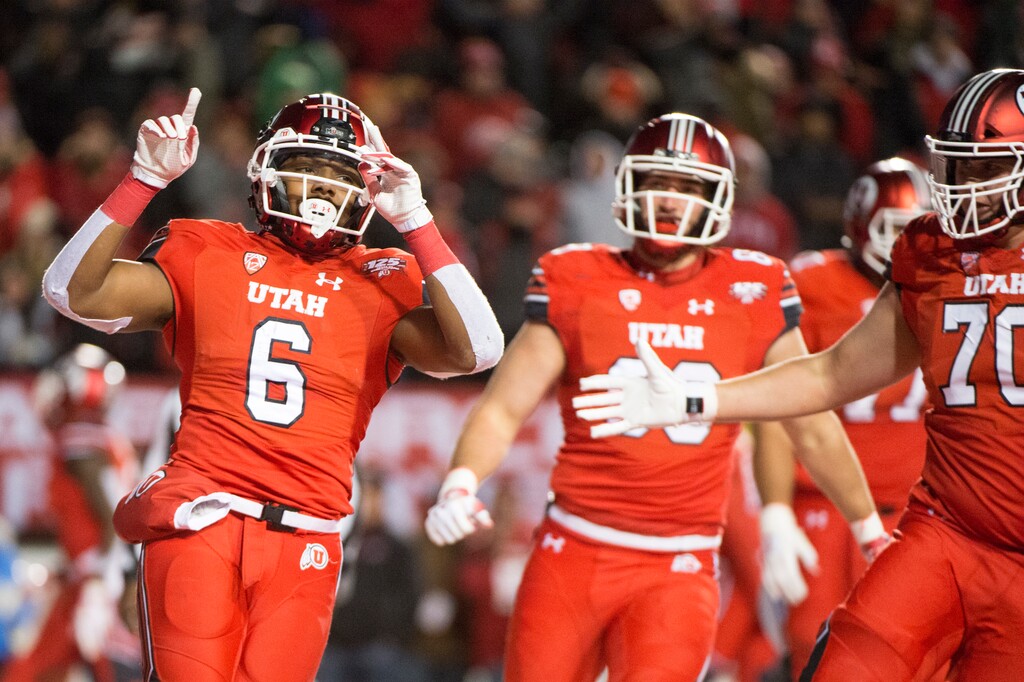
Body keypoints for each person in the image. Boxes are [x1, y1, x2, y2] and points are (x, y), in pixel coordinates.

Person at [574, 68, 1024, 681]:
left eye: (983, 168)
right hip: (944, 535)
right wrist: (695, 398)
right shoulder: (930, 250)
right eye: (954, 165)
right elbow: (831, 373)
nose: (959, 186)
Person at [40, 89, 503, 681]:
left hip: (309, 534)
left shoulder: (380, 277)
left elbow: (480, 349)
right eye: (307, 168)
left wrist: (416, 220)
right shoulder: (209, 249)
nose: (323, 189)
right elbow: (71, 291)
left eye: (340, 177)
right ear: (269, 173)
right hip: (204, 517)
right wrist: (142, 180)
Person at [424, 113, 887, 681]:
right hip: (574, 547)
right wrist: (462, 480)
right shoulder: (578, 276)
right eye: (657, 182)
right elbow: (503, 407)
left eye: (688, 185)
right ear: (628, 185)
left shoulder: (753, 288)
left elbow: (810, 422)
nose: (669, 199)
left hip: (679, 561)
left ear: (718, 198)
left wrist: (869, 529)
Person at [755, 158, 934, 679]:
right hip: (823, 507)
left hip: (916, 511)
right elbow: (782, 406)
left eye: (916, 229)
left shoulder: (949, 283)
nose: (905, 243)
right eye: (893, 229)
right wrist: (775, 509)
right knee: (817, 655)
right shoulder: (811, 283)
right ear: (860, 226)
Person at [3, 343, 138, 682]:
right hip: (88, 579)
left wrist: (99, 583)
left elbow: (114, 518)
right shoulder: (98, 439)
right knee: (33, 671)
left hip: (98, 584)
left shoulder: (82, 442)